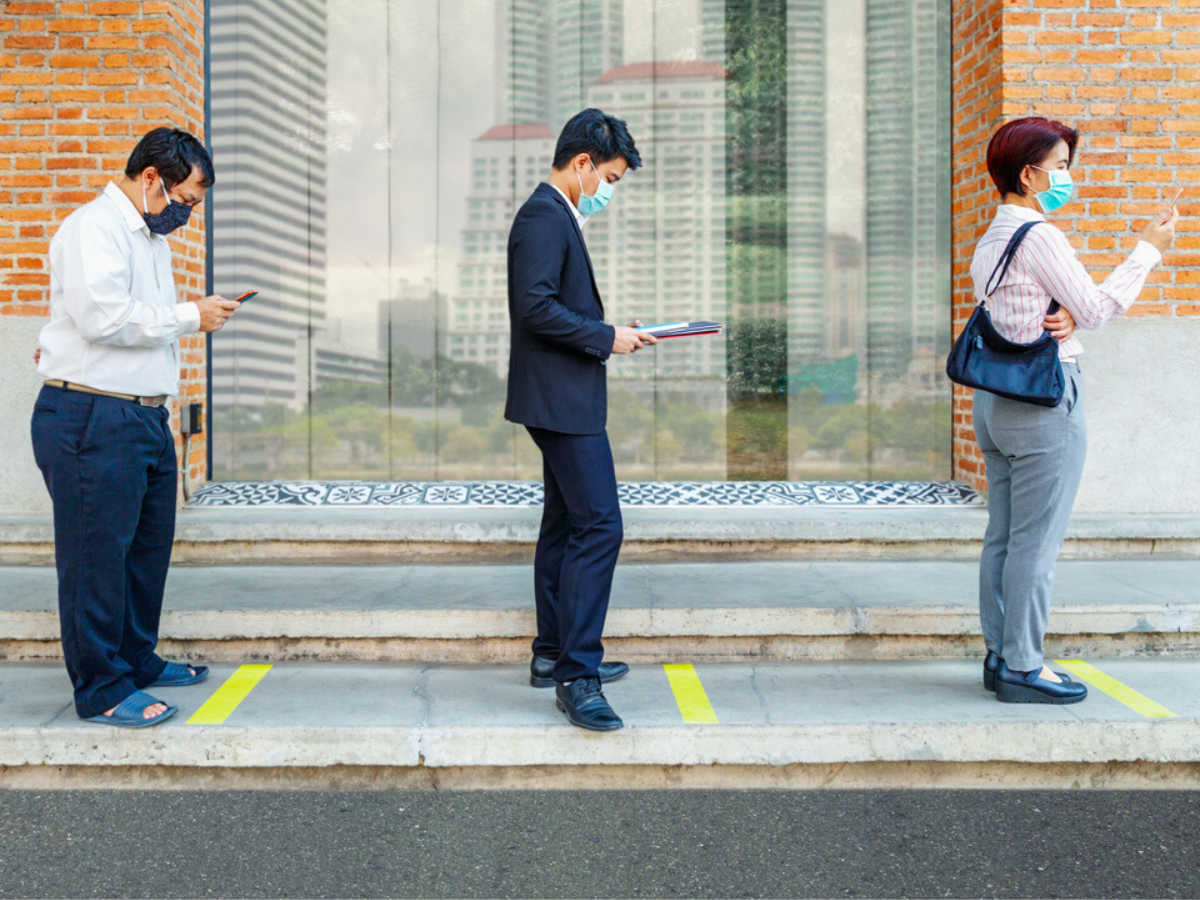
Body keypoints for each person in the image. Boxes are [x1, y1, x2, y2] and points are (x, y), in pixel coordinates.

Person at [31, 127, 241, 727]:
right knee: (96, 558)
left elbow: (135, 322)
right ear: (151, 177)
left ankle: (134, 660)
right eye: (185, 200)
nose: (186, 213)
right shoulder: (92, 228)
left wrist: (188, 316)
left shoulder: (148, 238)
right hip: (91, 415)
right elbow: (102, 319)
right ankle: (100, 689)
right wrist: (189, 315)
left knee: (144, 553)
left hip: (143, 414)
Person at [971, 117, 1177, 704]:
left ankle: (1001, 656)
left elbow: (1022, 310)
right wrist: (1148, 250)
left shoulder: (992, 239)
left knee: (1003, 540)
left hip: (995, 403)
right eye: (1060, 167)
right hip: (1043, 404)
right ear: (1029, 174)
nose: (1068, 177)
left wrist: (1061, 310)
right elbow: (1095, 307)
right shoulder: (1039, 235)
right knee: (1036, 544)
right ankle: (1024, 667)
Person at [504, 109, 654, 731]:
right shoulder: (544, 216)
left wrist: (612, 333)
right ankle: (577, 675)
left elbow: (551, 306)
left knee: (566, 526)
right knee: (601, 528)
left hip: (561, 398)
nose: (608, 191)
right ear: (584, 163)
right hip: (562, 404)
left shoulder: (557, 214)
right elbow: (535, 307)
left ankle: (551, 655)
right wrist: (605, 336)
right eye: (611, 178)